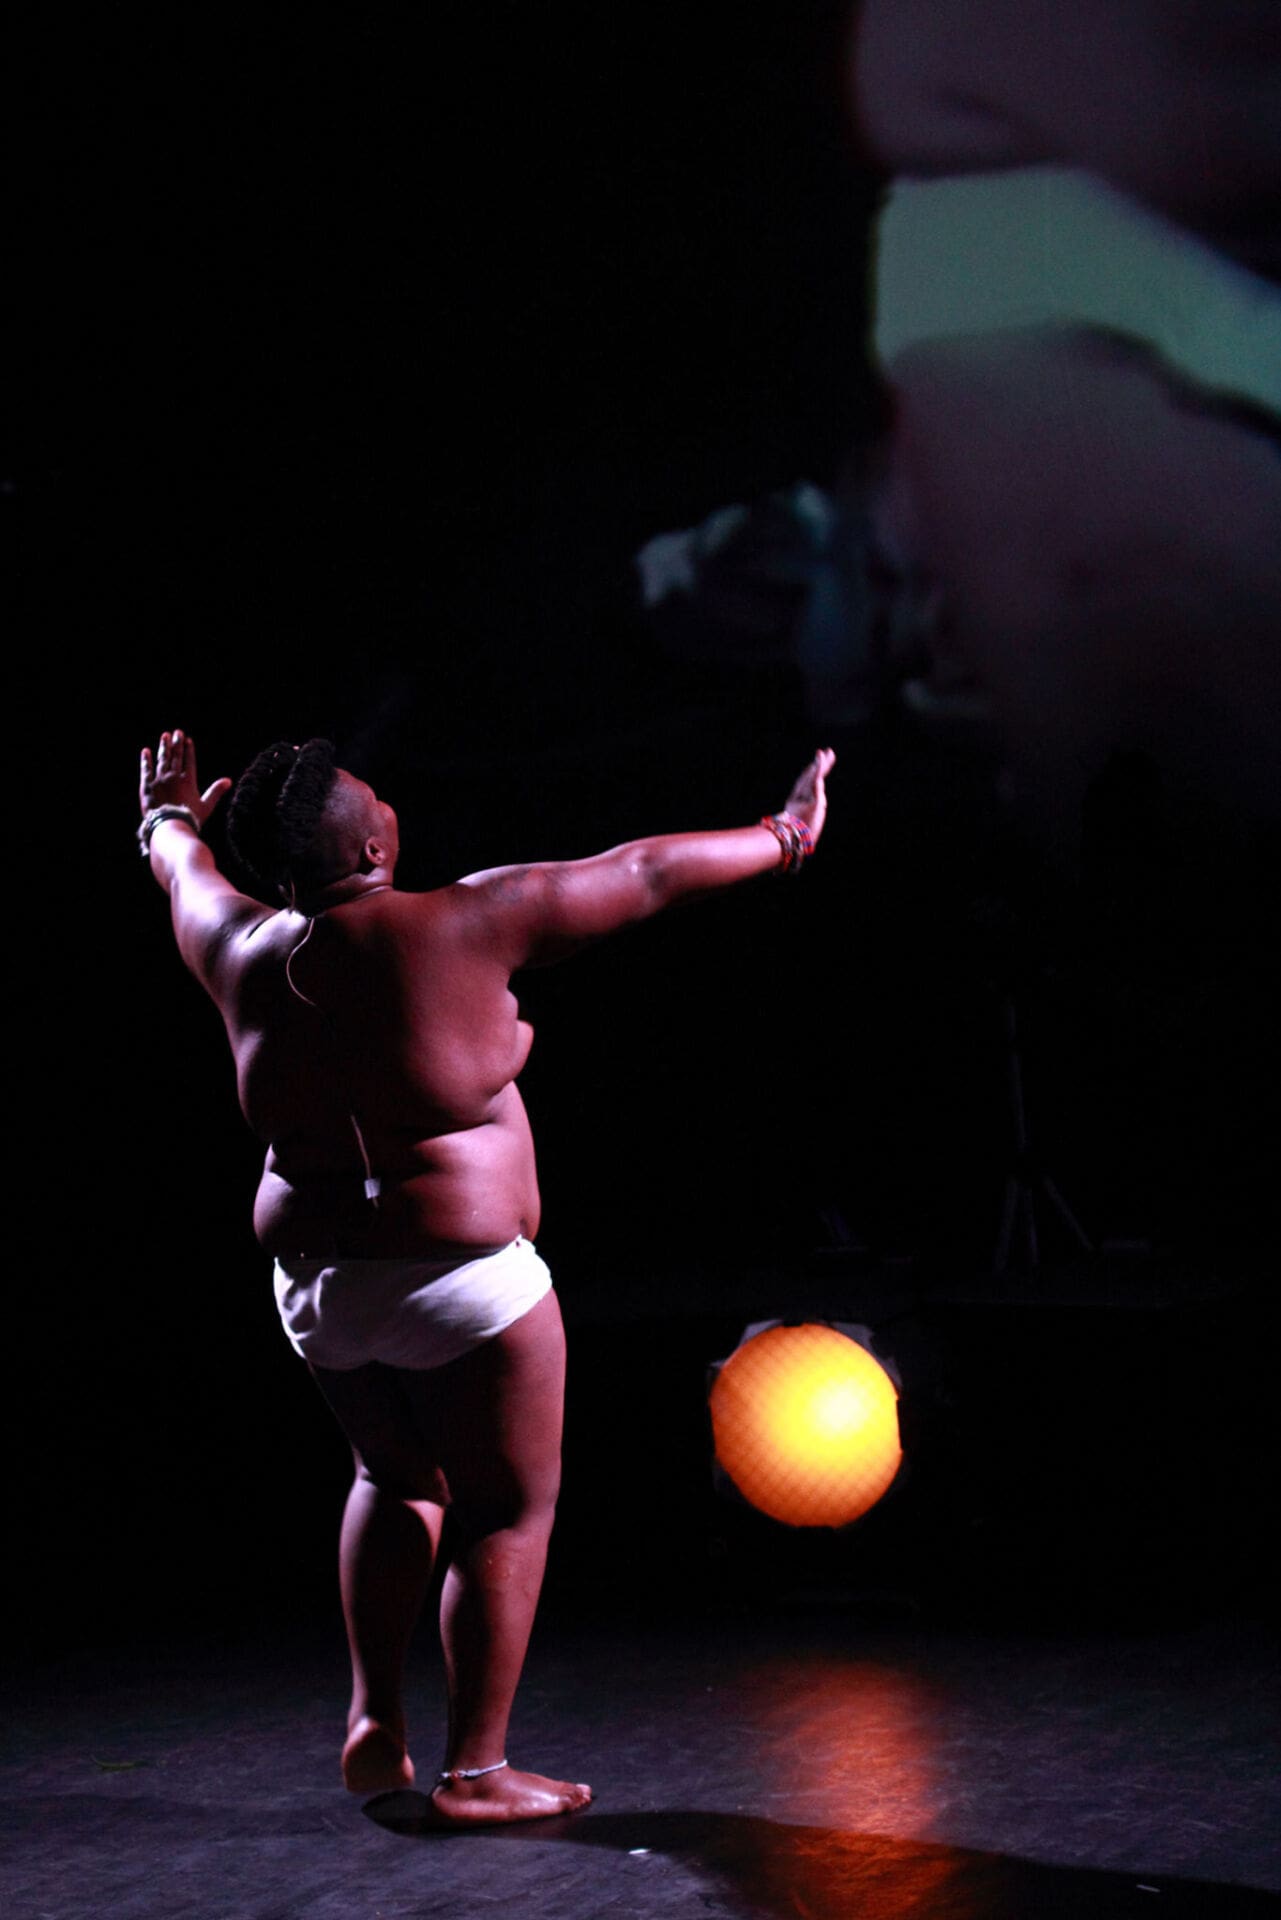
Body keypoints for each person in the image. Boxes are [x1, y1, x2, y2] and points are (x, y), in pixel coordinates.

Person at [139, 727, 835, 1825]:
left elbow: (180, 865)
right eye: (374, 797)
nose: (387, 803)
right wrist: (785, 836)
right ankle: (475, 1773)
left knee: (392, 1478)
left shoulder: (232, 945)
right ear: (370, 844)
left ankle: (375, 1715)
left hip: (318, 1289)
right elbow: (643, 874)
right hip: (464, 1283)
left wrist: (167, 813)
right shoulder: (465, 920)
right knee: (507, 1510)